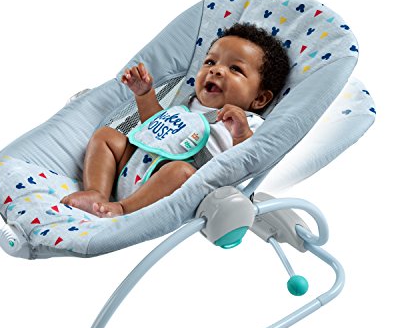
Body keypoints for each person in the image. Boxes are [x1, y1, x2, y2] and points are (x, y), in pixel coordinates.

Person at [61, 22, 290, 217]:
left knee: (181, 171)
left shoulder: (249, 122)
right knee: (107, 136)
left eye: (235, 69)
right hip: (132, 168)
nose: (216, 71)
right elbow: (154, 128)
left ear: (260, 98)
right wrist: (144, 95)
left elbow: (249, 165)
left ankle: (123, 209)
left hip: (170, 186)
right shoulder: (188, 104)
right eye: (210, 62)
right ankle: (97, 193)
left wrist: (241, 135)